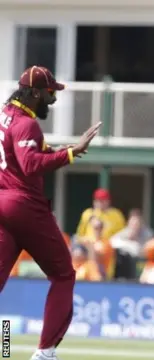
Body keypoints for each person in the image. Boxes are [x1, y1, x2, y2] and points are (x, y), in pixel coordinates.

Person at [0, 65, 102, 360]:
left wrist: (63, 148)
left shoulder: (7, 115)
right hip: (24, 205)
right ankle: (44, 354)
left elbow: (24, 152)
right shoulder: (27, 124)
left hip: (3, 203)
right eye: (48, 93)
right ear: (33, 93)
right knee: (63, 275)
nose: (52, 99)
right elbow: (30, 164)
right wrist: (71, 153)